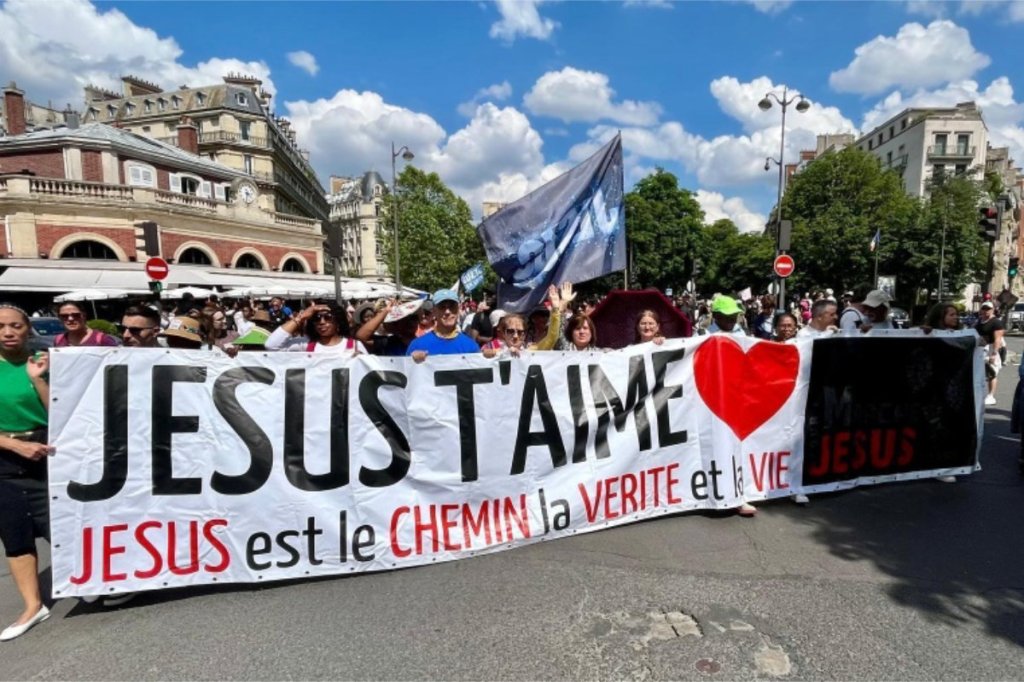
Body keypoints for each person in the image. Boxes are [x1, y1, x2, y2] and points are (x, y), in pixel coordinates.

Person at [0, 304, 54, 641]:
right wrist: (13, 445)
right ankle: (33, 605)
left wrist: (39, 381)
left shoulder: (42, 362)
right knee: (15, 533)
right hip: (5, 457)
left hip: (48, 450)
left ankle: (88, 579)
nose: (8, 332)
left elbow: (59, 411)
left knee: (62, 522)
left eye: (15, 325)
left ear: (27, 328)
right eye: (2, 326)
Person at [266, 302, 366, 355]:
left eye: (328, 317)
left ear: (338, 321)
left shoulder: (354, 346)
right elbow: (271, 345)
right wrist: (302, 317)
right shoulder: (306, 345)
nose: (322, 322)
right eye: (316, 318)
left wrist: (361, 360)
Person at [407, 290, 479, 361]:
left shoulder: (470, 346)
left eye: (452, 307)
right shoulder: (417, 345)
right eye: (442, 307)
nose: (447, 312)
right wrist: (411, 361)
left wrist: (489, 358)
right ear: (434, 311)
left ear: (458, 310)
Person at [356, 298, 423, 356]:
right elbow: (361, 336)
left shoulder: (424, 342)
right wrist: (386, 311)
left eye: (414, 318)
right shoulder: (388, 343)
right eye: (406, 318)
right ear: (398, 322)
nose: (410, 322)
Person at [975, 301, 1005, 406]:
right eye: (984, 308)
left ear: (992, 310)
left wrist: (994, 353)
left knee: (992, 372)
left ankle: (991, 396)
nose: (985, 310)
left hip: (991, 348)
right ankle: (982, 394)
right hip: (981, 349)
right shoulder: (980, 321)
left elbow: (998, 339)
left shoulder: (996, 322)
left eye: (988, 309)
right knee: (982, 372)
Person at [53, 302, 117, 347]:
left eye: (76, 315)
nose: (70, 319)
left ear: (84, 315)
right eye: (64, 316)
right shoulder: (58, 340)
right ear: (59, 318)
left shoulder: (102, 339)